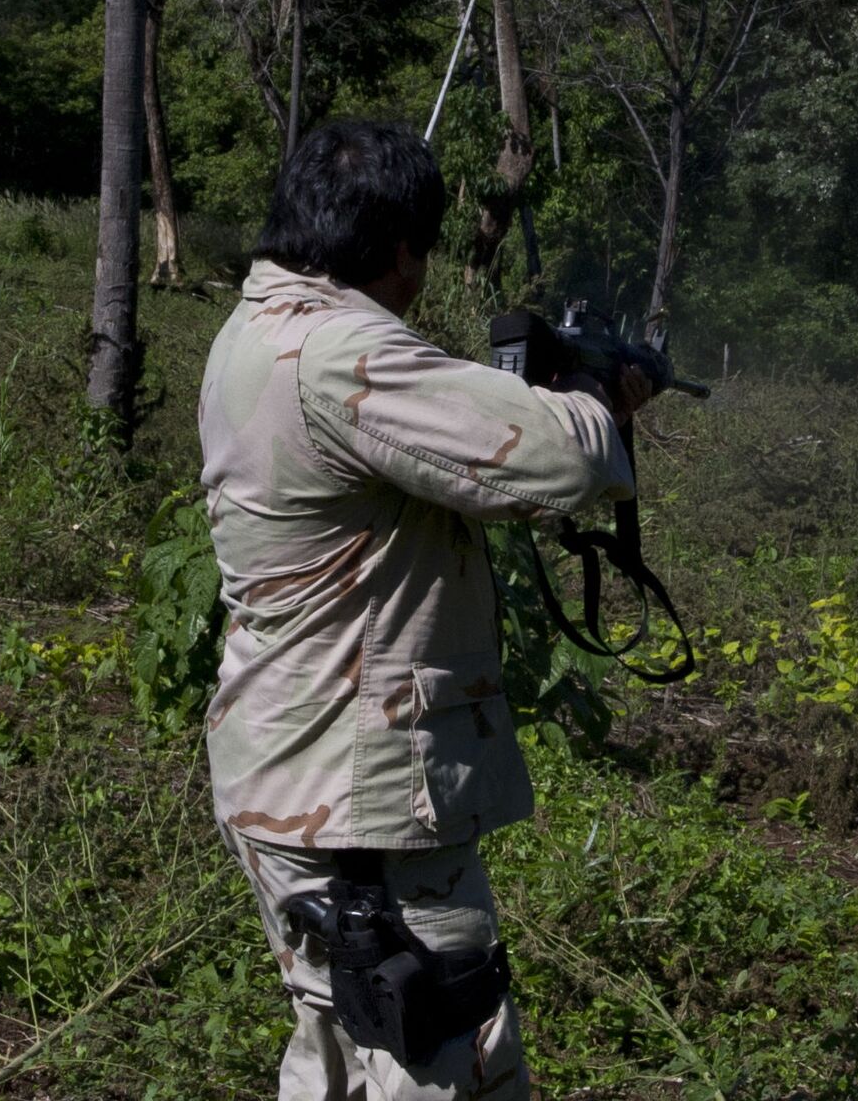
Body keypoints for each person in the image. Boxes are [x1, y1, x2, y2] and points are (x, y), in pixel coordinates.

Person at [197, 119, 648, 1100]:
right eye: (423, 255)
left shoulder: (256, 329)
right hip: (359, 799)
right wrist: (596, 399)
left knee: (338, 1047)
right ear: (399, 245)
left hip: (293, 769)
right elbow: (561, 460)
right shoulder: (337, 350)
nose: (421, 282)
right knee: (442, 1056)